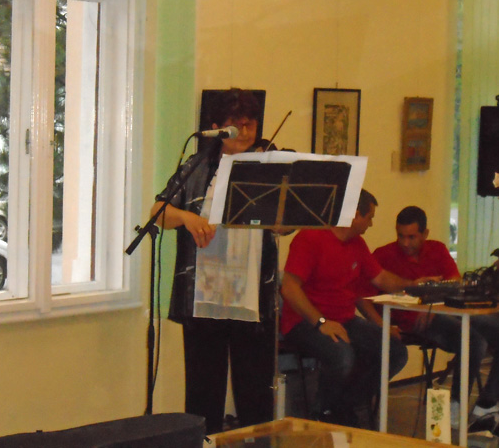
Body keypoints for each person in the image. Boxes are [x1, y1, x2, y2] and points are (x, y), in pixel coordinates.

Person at [151, 88, 278, 434]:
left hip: (251, 295)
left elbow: (285, 225)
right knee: (203, 392)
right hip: (204, 294)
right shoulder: (198, 164)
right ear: (218, 127)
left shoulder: (270, 164)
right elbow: (159, 211)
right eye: (237, 125)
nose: (245, 133)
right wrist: (187, 218)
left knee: (256, 394)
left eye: (250, 125)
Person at [358, 206, 499, 428]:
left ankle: (489, 402)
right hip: (414, 321)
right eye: (400, 236)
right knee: (473, 340)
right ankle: (456, 404)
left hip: (447, 311)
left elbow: (455, 282)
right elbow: (361, 296)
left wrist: (433, 299)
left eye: (411, 237)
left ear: (425, 234)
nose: (405, 243)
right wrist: (382, 325)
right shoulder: (383, 255)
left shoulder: (437, 249)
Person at [280, 190, 425, 428]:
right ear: (356, 214)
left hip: (344, 319)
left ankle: (344, 404)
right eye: (370, 217)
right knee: (342, 355)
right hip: (305, 321)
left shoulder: (357, 244)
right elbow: (289, 288)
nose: (371, 223)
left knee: (395, 351)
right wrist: (322, 323)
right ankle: (321, 413)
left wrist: (414, 286)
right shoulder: (310, 238)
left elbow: (382, 279)